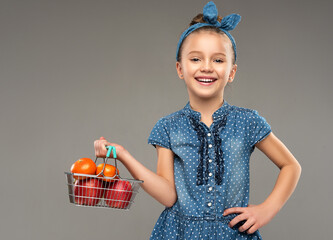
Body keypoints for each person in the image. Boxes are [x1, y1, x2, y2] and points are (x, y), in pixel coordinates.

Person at [94, 1, 301, 239]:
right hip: (179, 233)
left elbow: (291, 166)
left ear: (231, 72)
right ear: (180, 68)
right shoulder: (168, 127)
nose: (206, 67)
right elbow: (168, 195)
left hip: (232, 234)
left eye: (218, 60)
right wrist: (122, 155)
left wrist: (266, 210)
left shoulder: (248, 122)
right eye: (195, 59)